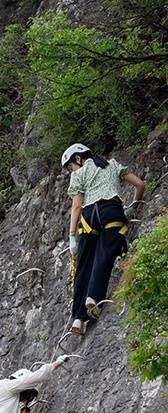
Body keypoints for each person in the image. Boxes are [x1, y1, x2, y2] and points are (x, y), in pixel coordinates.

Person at [62, 144, 145, 336]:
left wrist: (72, 236)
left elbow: (76, 206)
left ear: (78, 159)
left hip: (89, 216)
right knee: (104, 256)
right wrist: (132, 206)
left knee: (83, 266)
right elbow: (139, 185)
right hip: (112, 211)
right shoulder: (112, 164)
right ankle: (93, 298)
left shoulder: (79, 174)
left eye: (70, 167)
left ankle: (78, 318)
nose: (71, 171)